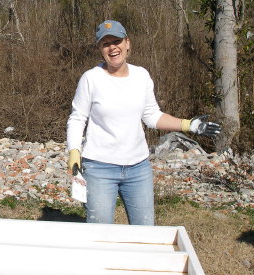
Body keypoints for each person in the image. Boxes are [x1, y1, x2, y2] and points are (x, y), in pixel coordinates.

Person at [66, 20, 221, 226]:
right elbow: (77, 118)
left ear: (127, 43)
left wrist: (189, 125)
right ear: (100, 49)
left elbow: (152, 116)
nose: (113, 47)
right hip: (99, 167)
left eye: (117, 41)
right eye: (106, 43)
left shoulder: (141, 76)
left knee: (145, 232)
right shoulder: (90, 79)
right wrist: (74, 152)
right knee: (100, 234)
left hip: (138, 169)